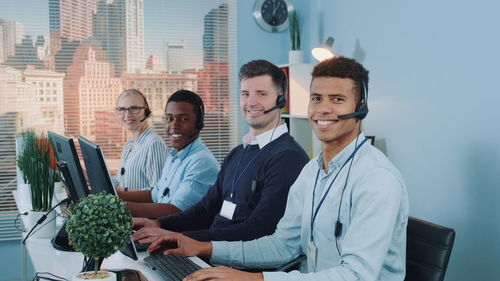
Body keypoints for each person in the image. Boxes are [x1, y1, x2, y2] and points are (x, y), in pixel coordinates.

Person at [148, 56, 409, 281]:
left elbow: (356, 276)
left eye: (337, 99)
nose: (323, 108)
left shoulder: (376, 179)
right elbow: (282, 245)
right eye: (316, 98)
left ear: (360, 107)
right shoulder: (313, 172)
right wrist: (204, 248)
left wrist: (254, 278)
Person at [132, 59, 309, 243]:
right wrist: (158, 225)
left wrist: (180, 238)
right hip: (212, 252)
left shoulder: (288, 158)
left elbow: (259, 229)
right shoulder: (238, 153)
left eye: (261, 94)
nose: (251, 102)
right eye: (245, 94)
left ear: (281, 100)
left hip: (240, 265)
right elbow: (206, 209)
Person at [116, 90, 220, 218]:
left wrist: (116, 207)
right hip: (161, 229)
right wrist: (114, 195)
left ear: (198, 123)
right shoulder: (174, 157)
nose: (174, 125)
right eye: (169, 118)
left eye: (184, 119)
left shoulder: (202, 162)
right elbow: (155, 194)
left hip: (179, 234)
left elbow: (174, 211)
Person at [114, 89, 168, 190]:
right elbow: (121, 180)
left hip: (138, 205)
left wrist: (123, 193)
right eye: (122, 109)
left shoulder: (154, 144)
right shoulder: (130, 143)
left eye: (134, 108)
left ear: (145, 111)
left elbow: (157, 192)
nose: (127, 115)